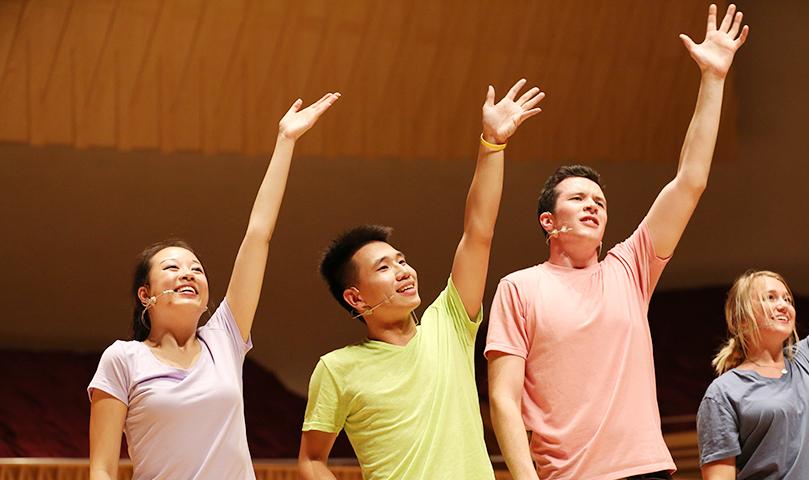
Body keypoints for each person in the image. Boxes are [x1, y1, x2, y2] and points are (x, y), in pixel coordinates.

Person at [485, 4, 749, 479]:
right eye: (578, 198)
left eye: (600, 202)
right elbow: (503, 399)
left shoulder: (630, 267)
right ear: (548, 221)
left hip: (647, 469)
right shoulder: (518, 287)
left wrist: (713, 79)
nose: (593, 206)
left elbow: (690, 181)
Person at [297, 80, 544, 480]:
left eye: (401, 261)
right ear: (356, 298)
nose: (403, 271)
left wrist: (492, 145)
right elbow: (311, 459)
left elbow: (478, 232)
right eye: (383, 268)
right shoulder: (336, 368)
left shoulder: (449, 322)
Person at [87, 93, 341, 479]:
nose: (188, 274)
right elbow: (102, 470)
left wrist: (285, 142)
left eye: (196, 269)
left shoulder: (223, 338)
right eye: (172, 268)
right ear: (145, 295)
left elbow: (258, 235)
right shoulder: (122, 359)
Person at [695, 164, 809, 479]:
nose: (783, 305)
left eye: (787, 299)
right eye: (770, 297)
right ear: (740, 316)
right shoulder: (723, 393)